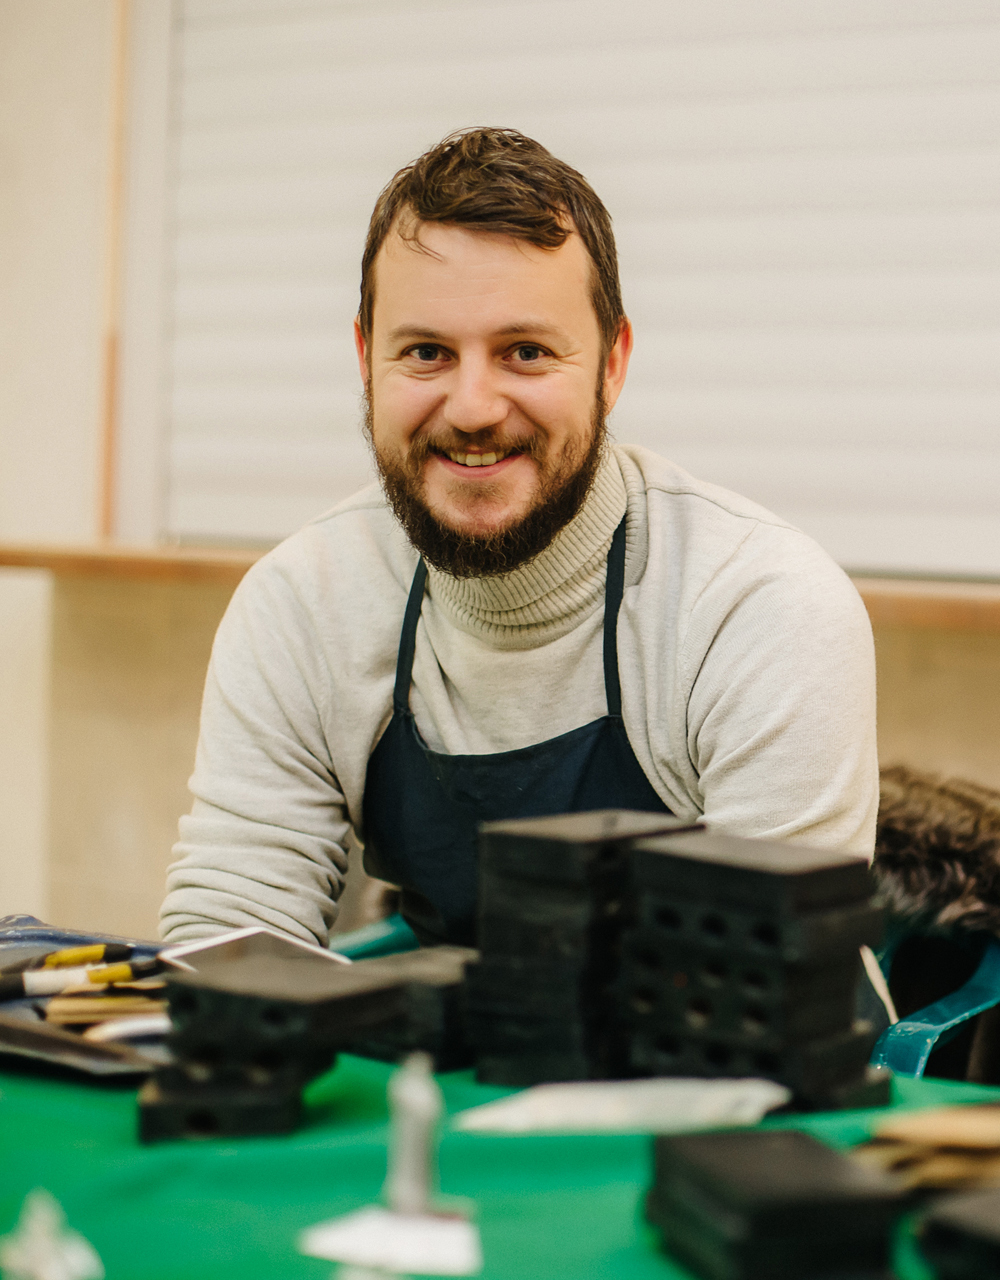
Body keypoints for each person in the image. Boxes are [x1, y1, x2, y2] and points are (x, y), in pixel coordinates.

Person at [159, 128, 878, 947]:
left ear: (612, 364)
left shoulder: (757, 609)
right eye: (426, 352)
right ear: (365, 360)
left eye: (526, 352)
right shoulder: (301, 603)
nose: (473, 407)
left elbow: (768, 981)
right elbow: (228, 938)